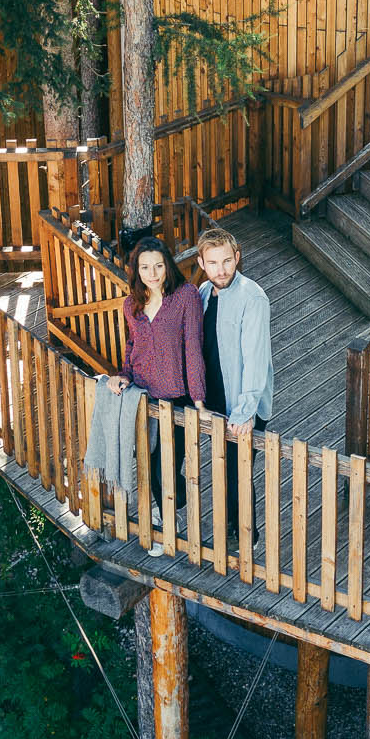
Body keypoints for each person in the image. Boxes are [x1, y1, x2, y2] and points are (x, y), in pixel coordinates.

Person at [105, 237, 203, 555]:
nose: (153, 272)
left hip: (176, 397)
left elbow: (193, 349)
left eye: (158, 265)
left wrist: (198, 399)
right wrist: (123, 375)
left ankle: (164, 525)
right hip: (143, 396)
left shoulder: (186, 296)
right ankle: (166, 506)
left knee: (165, 464)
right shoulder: (130, 304)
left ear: (167, 265)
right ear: (137, 270)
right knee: (146, 460)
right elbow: (133, 348)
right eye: (145, 267)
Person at [196, 227, 272, 546]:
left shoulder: (252, 297)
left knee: (239, 473)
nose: (222, 270)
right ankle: (229, 527)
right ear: (202, 263)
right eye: (213, 263)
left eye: (227, 261)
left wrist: (244, 413)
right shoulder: (202, 292)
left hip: (242, 404)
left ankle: (246, 538)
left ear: (237, 257)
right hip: (215, 399)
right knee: (222, 468)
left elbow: (255, 359)